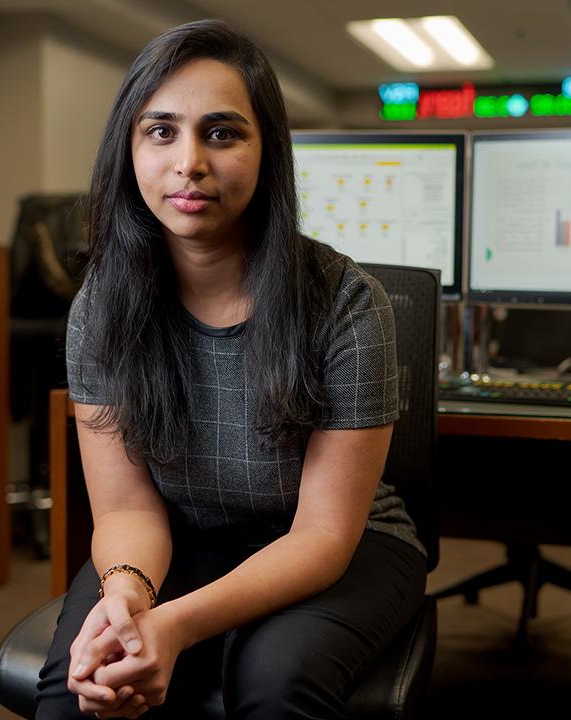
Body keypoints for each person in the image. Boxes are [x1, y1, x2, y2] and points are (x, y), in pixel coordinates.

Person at [34, 19, 427, 720]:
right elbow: (126, 509)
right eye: (161, 132)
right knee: (80, 683)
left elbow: (321, 537)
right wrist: (125, 597)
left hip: (339, 543)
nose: (189, 161)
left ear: (266, 151)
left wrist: (175, 625)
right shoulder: (102, 306)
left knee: (274, 685)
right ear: (128, 150)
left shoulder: (344, 302)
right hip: (179, 535)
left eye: (221, 133)